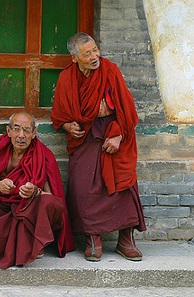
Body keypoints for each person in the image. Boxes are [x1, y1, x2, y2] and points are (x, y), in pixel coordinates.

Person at [50, 32, 146, 262]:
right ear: (75, 58)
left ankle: (125, 240)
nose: (95, 56)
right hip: (85, 137)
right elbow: (59, 113)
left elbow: (129, 111)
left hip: (113, 132)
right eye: (87, 54)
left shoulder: (110, 71)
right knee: (83, 186)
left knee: (123, 183)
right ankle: (94, 239)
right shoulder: (67, 78)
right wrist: (67, 126)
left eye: (95, 50)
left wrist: (119, 136)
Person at [0, 111, 75, 269]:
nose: (21, 135)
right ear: (8, 131)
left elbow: (51, 197)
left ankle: (33, 243)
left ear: (34, 133)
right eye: (16, 129)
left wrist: (34, 192)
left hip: (25, 209)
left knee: (47, 202)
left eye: (27, 130)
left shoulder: (44, 156)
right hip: (0, 207)